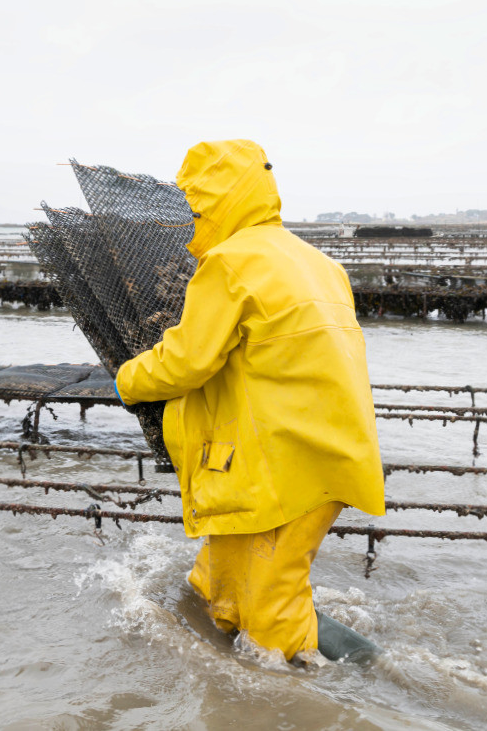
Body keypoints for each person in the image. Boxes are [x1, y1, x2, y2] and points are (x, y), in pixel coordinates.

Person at [113, 139, 386, 661]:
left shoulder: (230, 263)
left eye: (196, 205)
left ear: (220, 200)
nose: (193, 217)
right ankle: (237, 675)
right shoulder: (319, 263)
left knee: (269, 613)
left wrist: (127, 380)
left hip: (280, 470)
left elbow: (186, 360)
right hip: (328, 455)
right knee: (218, 583)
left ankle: (321, 696)